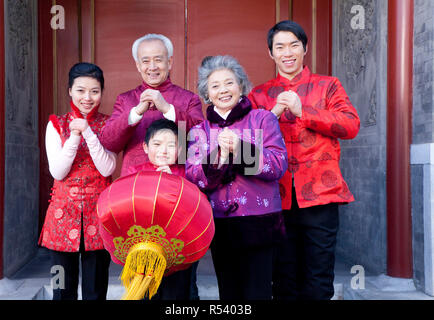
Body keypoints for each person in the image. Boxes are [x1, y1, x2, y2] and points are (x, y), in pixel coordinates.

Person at [248, 20, 361, 300]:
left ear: (305, 48)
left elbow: (351, 125)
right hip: (275, 197)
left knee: (319, 278)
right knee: (283, 279)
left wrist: (305, 111)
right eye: (280, 47)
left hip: (321, 196)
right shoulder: (259, 95)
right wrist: (271, 115)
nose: (288, 53)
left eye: (294, 45)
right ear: (270, 54)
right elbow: (247, 144)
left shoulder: (328, 86)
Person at [186, 55, 288, 300]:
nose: (223, 90)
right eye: (215, 86)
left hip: (260, 223)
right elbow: (193, 176)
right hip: (221, 223)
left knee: (259, 292)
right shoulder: (198, 131)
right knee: (229, 293)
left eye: (229, 83)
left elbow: (277, 165)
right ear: (207, 94)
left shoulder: (263, 119)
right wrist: (219, 156)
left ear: (241, 86)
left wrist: (240, 150)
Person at [39, 62, 117, 300]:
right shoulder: (55, 124)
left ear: (102, 92)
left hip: (99, 216)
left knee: (95, 291)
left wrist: (89, 133)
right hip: (61, 219)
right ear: (70, 91)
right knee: (62, 289)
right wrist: (74, 135)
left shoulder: (109, 124)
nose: (88, 97)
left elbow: (108, 168)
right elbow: (58, 172)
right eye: (81, 90)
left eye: (94, 91)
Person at [99, 33, 204, 177]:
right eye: (146, 61)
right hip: (133, 184)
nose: (152, 67)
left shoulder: (189, 99)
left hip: (176, 184)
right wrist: (135, 113)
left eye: (158, 60)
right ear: (138, 65)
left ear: (170, 62)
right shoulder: (125, 100)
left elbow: (201, 139)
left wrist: (168, 109)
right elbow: (108, 143)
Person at [126, 118, 198, 300]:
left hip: (178, 247)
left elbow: (194, 206)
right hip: (144, 245)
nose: (163, 151)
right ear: (145, 147)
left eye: (171, 145)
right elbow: (127, 205)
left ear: (180, 149)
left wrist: (173, 180)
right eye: (157, 144)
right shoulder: (135, 173)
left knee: (178, 294)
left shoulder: (186, 174)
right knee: (145, 293)